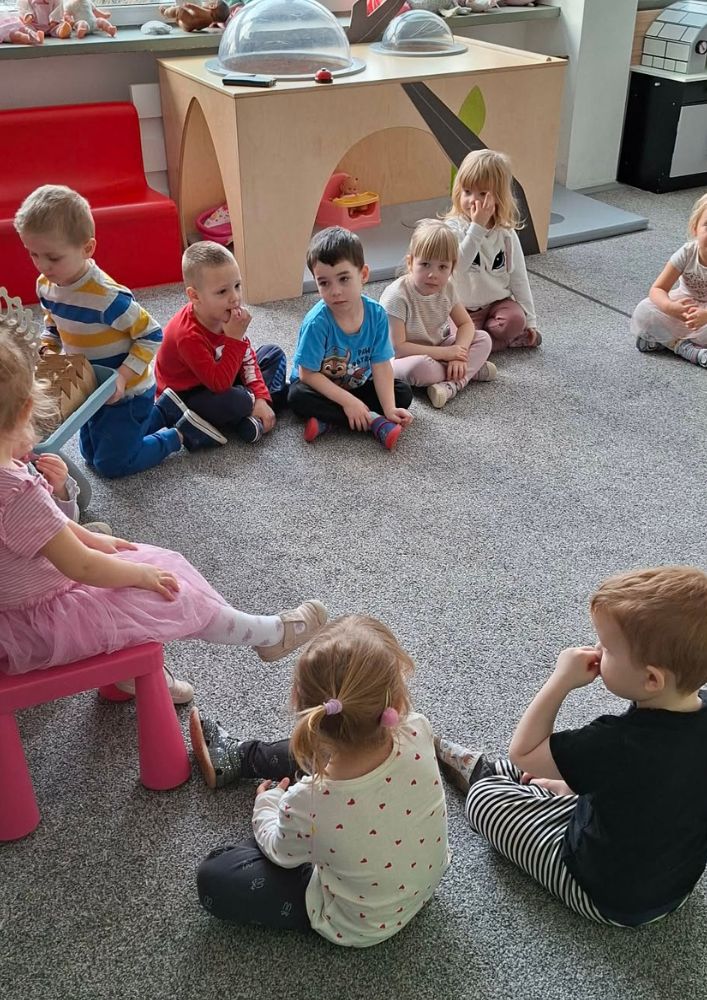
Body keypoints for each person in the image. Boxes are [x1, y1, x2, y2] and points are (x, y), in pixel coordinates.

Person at [0, 322, 327, 702]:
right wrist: (140, 576)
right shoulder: (18, 493)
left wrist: (87, 532)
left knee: (144, 557)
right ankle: (267, 634)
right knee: (168, 588)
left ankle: (129, 670)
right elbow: (83, 567)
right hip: (42, 622)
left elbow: (42, 532)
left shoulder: (10, 473)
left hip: (17, 608)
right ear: (26, 410)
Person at [436, 566, 707, 927]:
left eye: (607, 648)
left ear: (652, 679)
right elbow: (650, 786)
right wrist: (568, 784)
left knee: (486, 798)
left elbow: (524, 750)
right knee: (565, 772)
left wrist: (561, 679)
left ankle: (488, 779)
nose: (596, 649)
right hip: (674, 883)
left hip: (607, 894)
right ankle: (556, 784)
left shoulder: (616, 742)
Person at [192, 614, 450, 945]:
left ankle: (243, 758)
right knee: (327, 758)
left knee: (215, 875)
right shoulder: (417, 727)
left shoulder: (308, 801)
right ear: (396, 703)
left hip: (360, 923)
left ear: (304, 708)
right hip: (422, 883)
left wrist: (267, 805)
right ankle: (236, 757)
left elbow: (279, 851)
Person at [14, 184, 226, 479]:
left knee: (111, 464)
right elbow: (53, 322)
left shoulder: (106, 297)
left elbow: (151, 334)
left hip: (128, 390)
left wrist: (123, 377)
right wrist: (48, 347)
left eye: (53, 257)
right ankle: (165, 410)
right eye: (33, 254)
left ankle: (179, 434)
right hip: (91, 385)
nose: (42, 266)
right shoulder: (46, 286)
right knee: (90, 456)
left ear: (87, 248)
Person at [288, 227, 413, 450]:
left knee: (402, 393)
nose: (335, 291)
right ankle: (373, 421)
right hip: (319, 387)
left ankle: (329, 421)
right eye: (324, 283)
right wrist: (349, 402)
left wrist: (390, 408)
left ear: (363, 275)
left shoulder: (376, 314)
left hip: (356, 384)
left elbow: (381, 365)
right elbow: (307, 374)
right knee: (297, 397)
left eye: (344, 278)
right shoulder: (317, 323)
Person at [155, 242, 288, 444]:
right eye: (222, 292)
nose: (235, 298)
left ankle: (255, 413)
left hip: (221, 374)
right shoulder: (187, 335)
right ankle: (256, 409)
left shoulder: (225, 315)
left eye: (237, 286)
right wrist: (234, 338)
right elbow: (219, 384)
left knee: (273, 353)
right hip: (188, 395)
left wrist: (260, 397)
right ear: (195, 296)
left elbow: (247, 359)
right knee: (238, 400)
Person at [380, 219, 495, 409]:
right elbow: (398, 348)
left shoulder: (447, 288)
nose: (433, 274)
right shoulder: (396, 297)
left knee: (483, 339)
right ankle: (468, 372)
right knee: (421, 368)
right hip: (401, 358)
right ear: (410, 262)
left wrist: (457, 355)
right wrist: (446, 353)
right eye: (425, 264)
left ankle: (452, 384)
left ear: (452, 268)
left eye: (442, 267)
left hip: (438, 347)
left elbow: (466, 324)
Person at [446, 150, 541, 352]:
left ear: (498, 197)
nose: (473, 200)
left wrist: (531, 321)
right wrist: (477, 228)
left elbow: (519, 278)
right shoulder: (454, 228)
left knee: (516, 320)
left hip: (497, 305)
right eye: (467, 192)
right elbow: (458, 267)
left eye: (482, 194)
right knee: (458, 341)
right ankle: (494, 343)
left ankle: (486, 342)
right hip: (462, 310)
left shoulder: (506, 233)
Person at [631, 192, 707, 368]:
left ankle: (667, 342)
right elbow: (657, 289)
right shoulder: (687, 253)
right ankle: (684, 348)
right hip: (684, 309)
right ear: (695, 228)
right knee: (644, 310)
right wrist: (670, 307)